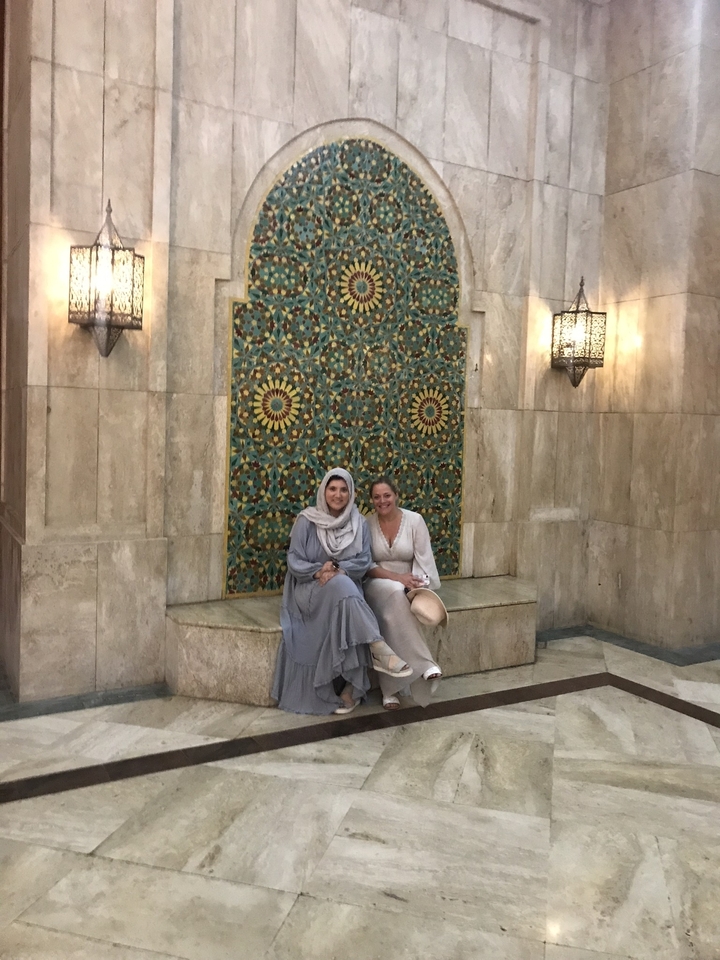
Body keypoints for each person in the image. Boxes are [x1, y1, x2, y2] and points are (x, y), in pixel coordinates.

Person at [272, 468, 412, 716]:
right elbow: (294, 560)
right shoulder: (307, 520)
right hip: (309, 588)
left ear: (351, 493)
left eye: (344, 489)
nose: (338, 494)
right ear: (323, 491)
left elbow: (363, 560)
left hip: (343, 584)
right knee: (346, 591)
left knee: (344, 588)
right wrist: (318, 571)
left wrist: (336, 569)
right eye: (333, 489)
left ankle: (351, 688)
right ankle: (376, 652)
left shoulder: (358, 523)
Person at [364, 477, 443, 710]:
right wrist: (397, 579)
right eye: (376, 497)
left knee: (391, 616)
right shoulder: (366, 525)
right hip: (377, 582)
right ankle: (424, 663)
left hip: (410, 584)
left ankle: (389, 690)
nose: (382, 501)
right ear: (371, 500)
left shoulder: (415, 521)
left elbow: (425, 561)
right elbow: (365, 564)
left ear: (396, 495)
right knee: (394, 592)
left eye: (386, 495)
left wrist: (416, 587)